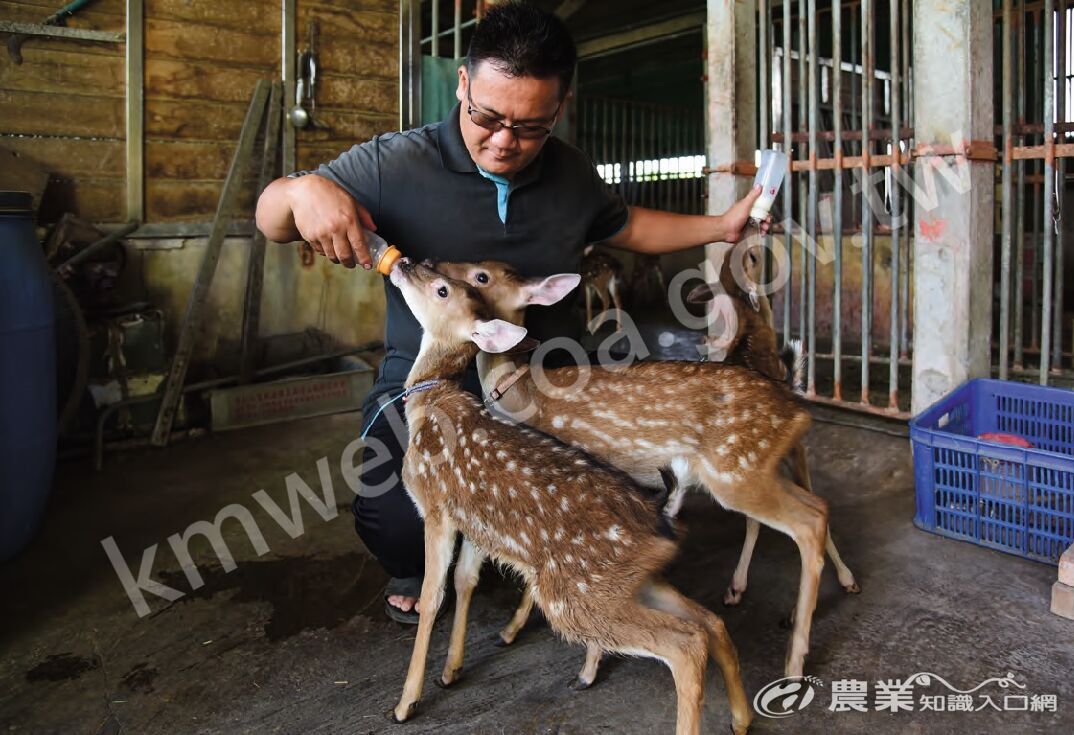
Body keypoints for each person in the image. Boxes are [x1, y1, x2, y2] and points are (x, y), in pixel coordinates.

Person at [256, 1, 767, 623]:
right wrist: (301, 188)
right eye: (487, 117)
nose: (504, 141)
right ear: (463, 83)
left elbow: (626, 224)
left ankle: (535, 548)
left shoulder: (571, 172)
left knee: (635, 502)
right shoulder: (394, 164)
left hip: (556, 379)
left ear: (561, 106)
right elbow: (272, 220)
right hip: (435, 386)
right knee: (393, 518)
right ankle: (450, 556)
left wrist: (721, 225)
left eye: (531, 127)